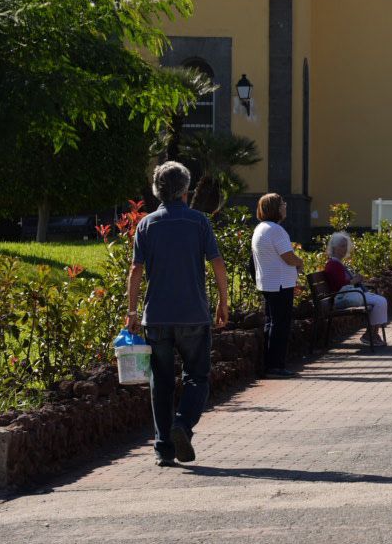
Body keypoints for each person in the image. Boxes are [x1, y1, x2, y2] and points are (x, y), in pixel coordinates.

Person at [124, 161, 227, 467]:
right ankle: (182, 423)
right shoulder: (199, 222)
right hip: (193, 314)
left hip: (156, 317)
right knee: (197, 377)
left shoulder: (146, 225)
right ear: (186, 189)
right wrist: (224, 301)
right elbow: (217, 263)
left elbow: (135, 270)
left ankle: (163, 448)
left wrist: (131, 310)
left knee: (161, 382)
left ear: (158, 190)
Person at [250, 193, 302, 378]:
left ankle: (271, 364)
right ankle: (276, 366)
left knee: (272, 323)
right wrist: (300, 261)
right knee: (280, 325)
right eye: (282, 204)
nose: (285, 206)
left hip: (268, 283)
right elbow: (287, 256)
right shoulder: (276, 230)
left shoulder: (260, 228)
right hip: (280, 284)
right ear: (275, 208)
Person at [323, 231, 390, 347]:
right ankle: (370, 335)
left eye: (346, 246)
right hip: (342, 297)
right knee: (380, 301)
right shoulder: (333, 264)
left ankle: (372, 334)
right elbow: (338, 286)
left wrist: (355, 280)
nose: (345, 249)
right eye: (342, 246)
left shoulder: (337, 263)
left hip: (350, 294)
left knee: (381, 301)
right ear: (334, 247)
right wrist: (354, 280)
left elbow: (343, 283)